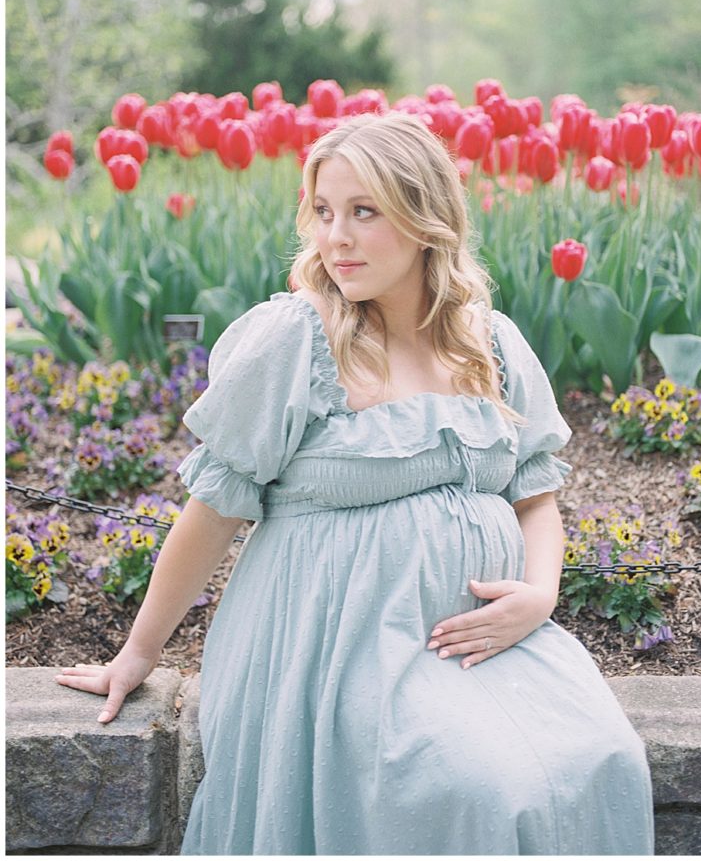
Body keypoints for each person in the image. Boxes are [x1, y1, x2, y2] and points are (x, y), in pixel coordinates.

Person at [56, 112, 654, 855]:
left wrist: (539, 595)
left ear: (425, 218)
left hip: (485, 643)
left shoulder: (490, 342)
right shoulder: (295, 339)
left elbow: (535, 495)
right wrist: (136, 656)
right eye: (325, 212)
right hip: (338, 646)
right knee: (482, 787)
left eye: (363, 212)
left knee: (605, 760)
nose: (335, 237)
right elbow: (213, 509)